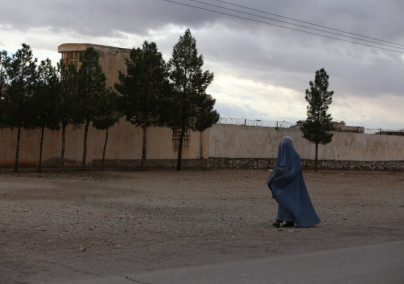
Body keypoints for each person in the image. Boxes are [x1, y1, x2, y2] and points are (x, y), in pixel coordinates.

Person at [267, 136, 321, 228]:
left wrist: (286, 176)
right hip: (285, 183)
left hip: (292, 184)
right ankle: (289, 221)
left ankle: (279, 220)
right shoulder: (282, 157)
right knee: (284, 200)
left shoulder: (294, 156)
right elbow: (278, 168)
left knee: (286, 200)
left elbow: (295, 170)